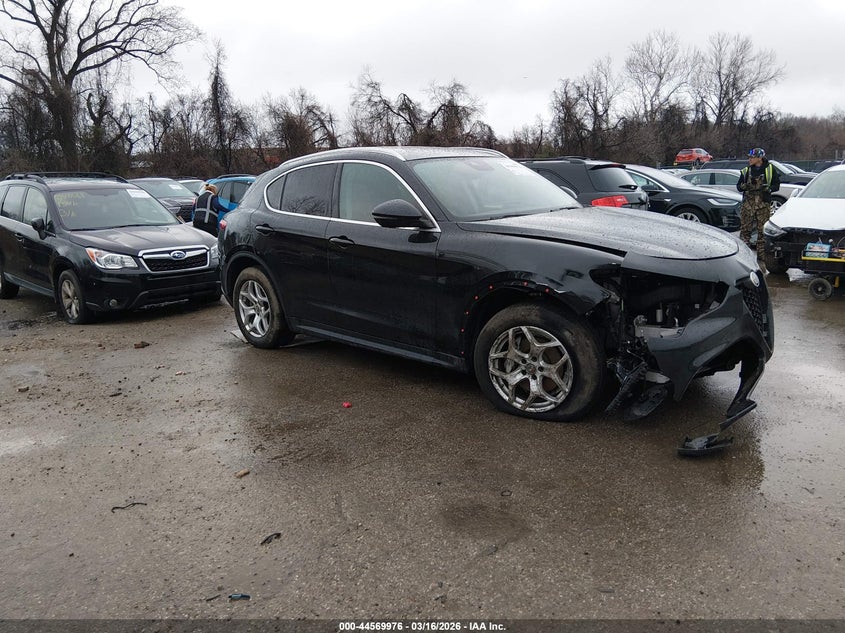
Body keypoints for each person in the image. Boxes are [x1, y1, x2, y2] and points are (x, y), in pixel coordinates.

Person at [736, 147, 780, 261]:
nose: (750, 159)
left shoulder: (770, 169)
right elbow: (738, 187)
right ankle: (744, 257)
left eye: (752, 157)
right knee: (745, 231)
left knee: (762, 231)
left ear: (760, 158)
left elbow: (776, 185)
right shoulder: (746, 171)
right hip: (748, 205)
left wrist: (768, 189)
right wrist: (746, 186)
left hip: (763, 205)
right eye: (749, 157)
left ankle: (762, 257)